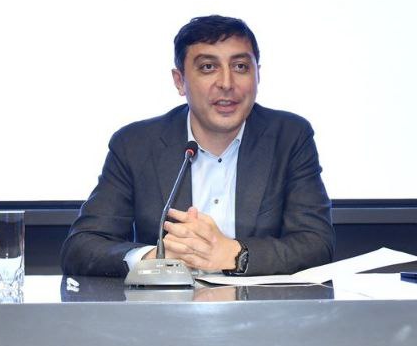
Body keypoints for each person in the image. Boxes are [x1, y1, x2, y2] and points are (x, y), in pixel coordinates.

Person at [61, 15, 335, 277]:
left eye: (240, 67)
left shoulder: (289, 137)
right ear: (179, 81)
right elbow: (82, 247)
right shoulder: (135, 144)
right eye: (208, 67)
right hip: (166, 308)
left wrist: (234, 254)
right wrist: (155, 258)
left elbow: (316, 244)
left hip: (260, 307)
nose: (226, 83)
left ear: (258, 75)